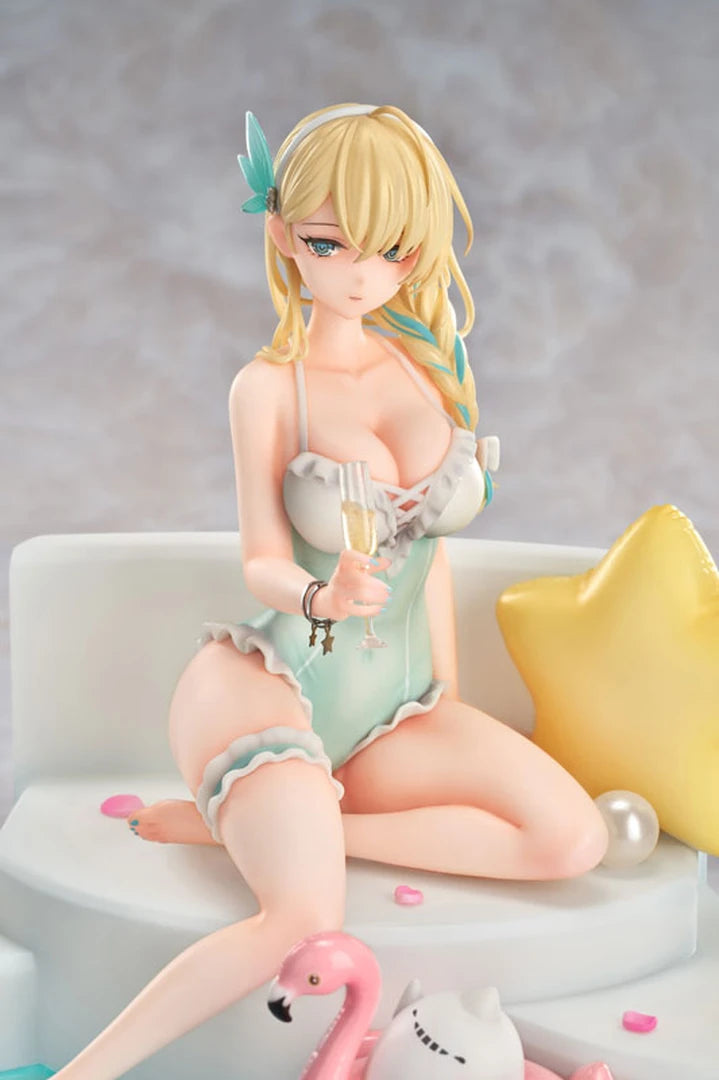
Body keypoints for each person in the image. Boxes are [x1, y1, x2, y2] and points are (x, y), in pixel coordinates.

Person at [52, 104, 608, 1080]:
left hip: (391, 709)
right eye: (328, 242)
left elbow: (433, 556)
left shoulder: (429, 366)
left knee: (572, 839)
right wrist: (322, 597)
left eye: (390, 249)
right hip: (269, 683)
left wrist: (446, 699)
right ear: (281, 234)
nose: (359, 273)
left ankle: (263, 830)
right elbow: (261, 561)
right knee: (301, 918)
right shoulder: (269, 388)